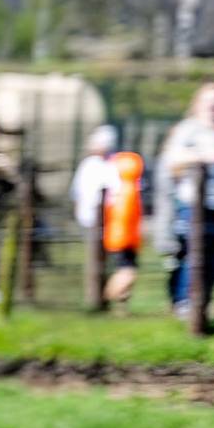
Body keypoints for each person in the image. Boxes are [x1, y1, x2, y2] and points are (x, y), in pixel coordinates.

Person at [159, 81, 214, 330]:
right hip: (194, 204)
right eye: (212, 102)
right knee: (194, 255)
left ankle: (204, 300)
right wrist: (205, 156)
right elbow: (172, 159)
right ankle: (186, 302)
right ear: (199, 105)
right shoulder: (188, 130)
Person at [72, 124, 148, 311]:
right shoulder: (91, 166)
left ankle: (110, 302)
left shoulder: (116, 164)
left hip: (115, 224)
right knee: (106, 264)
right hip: (95, 222)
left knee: (120, 265)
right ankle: (100, 299)